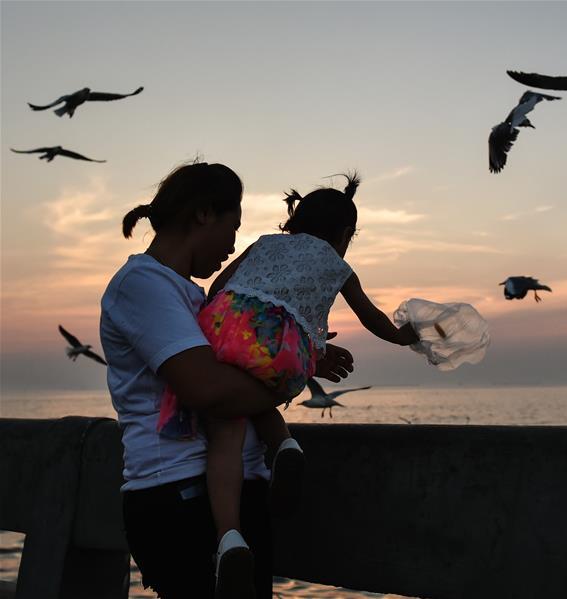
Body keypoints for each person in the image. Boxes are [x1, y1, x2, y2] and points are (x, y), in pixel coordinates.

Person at [100, 161, 355, 599]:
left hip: (223, 496)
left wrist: (302, 352)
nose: (234, 244)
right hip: (180, 495)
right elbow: (208, 390)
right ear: (203, 214)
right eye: (232, 226)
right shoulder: (143, 284)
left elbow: (236, 370)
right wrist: (297, 370)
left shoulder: (195, 296)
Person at [156, 170, 419, 594]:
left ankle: (229, 538)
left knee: (227, 423)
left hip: (229, 328)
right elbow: (371, 317)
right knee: (257, 382)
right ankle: (284, 444)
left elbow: (221, 286)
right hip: (285, 349)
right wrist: (404, 336)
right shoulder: (338, 264)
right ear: (346, 233)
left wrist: (221, 321)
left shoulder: (266, 243)